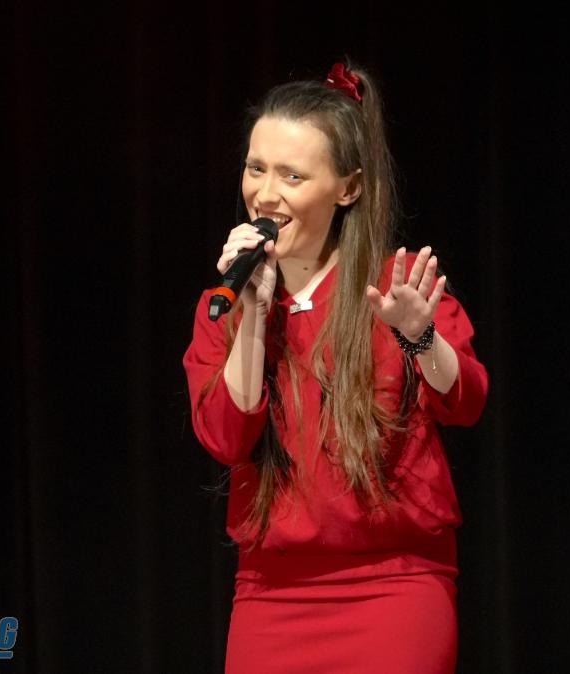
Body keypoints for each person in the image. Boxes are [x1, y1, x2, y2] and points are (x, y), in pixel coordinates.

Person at [182, 60, 489, 674]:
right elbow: (225, 438)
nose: (266, 194)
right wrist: (253, 310)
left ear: (347, 188)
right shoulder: (226, 303)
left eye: (293, 175)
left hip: (394, 588)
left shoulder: (393, 287)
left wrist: (420, 335)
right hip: (272, 595)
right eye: (256, 168)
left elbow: (468, 401)